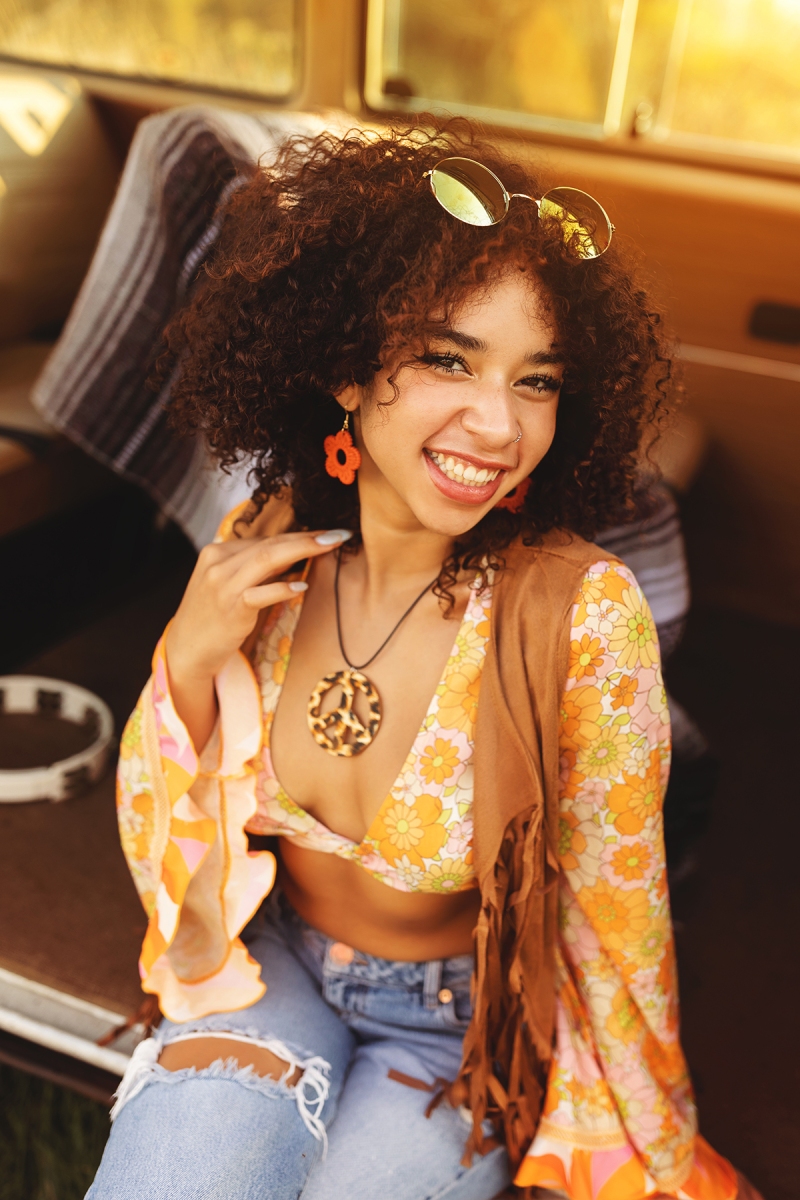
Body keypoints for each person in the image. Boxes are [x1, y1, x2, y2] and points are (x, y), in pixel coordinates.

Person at [88, 124, 757, 1199]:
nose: (496, 424)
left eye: (537, 381)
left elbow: (616, 909)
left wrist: (630, 1135)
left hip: (452, 1028)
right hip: (269, 967)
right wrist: (189, 658)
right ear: (346, 368)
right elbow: (167, 808)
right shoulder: (263, 535)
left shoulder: (583, 616)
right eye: (449, 358)